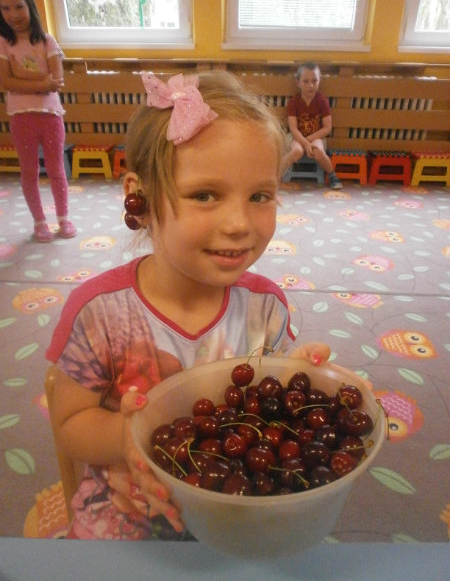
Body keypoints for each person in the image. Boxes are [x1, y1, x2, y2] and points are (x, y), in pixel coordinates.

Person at [45, 69, 331, 540]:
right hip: (129, 515)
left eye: (260, 195)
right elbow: (69, 424)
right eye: (205, 195)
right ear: (139, 196)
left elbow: (267, 414)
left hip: (235, 515)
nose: (239, 224)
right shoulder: (98, 313)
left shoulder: (266, 309)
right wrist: (126, 436)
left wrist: (297, 381)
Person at [0, 0, 76, 242]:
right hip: (21, 118)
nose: (13, 14)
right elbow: (5, 82)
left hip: (50, 116)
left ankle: (64, 218)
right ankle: (39, 222)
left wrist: (20, 75)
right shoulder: (3, 43)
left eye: (18, 6)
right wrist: (41, 82)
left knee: (56, 169)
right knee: (29, 171)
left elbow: (56, 80)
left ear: (30, 6)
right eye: (5, 8)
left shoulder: (46, 40)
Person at [285, 62, 342, 190]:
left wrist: (308, 140)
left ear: (319, 80)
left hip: (316, 137)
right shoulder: (294, 102)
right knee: (297, 151)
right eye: (305, 81)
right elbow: (293, 128)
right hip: (297, 137)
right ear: (298, 82)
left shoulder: (322, 101)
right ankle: (275, 173)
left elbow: (327, 128)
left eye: (314, 81)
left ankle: (332, 175)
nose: (310, 85)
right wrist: (304, 143)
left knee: (319, 151)